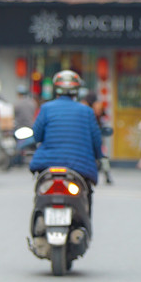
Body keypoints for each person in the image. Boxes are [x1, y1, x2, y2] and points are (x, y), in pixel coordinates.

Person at [29, 70, 102, 201]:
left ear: (56, 88)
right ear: (77, 90)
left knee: (39, 192)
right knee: (87, 192)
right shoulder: (87, 111)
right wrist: (99, 157)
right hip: (79, 166)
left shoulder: (46, 108)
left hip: (47, 163)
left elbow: (36, 136)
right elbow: (96, 141)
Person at [79, 87, 113, 185]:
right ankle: (107, 175)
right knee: (102, 155)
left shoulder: (83, 106)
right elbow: (104, 118)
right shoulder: (97, 106)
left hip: (85, 134)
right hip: (96, 133)